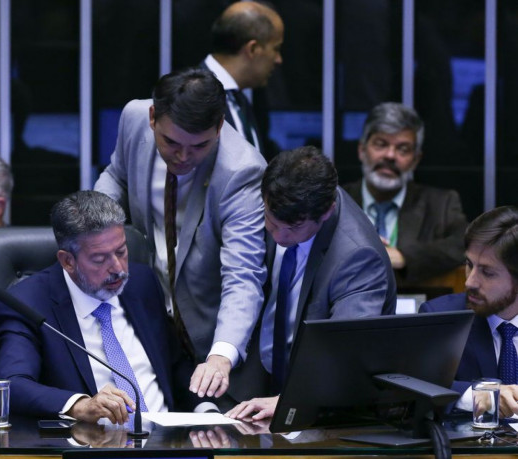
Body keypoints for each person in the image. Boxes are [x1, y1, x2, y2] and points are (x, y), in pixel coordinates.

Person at [94, 67, 267, 407]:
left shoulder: (242, 170)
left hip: (211, 337)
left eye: (199, 146)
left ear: (219, 127)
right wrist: (92, 227)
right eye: (171, 142)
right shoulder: (132, 119)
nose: (183, 157)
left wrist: (222, 355)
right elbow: (117, 176)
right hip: (152, 322)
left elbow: (243, 276)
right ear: (152, 117)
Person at [0, 190, 205, 422]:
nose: (117, 268)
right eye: (100, 259)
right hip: (95, 447)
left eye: (121, 251)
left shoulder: (141, 282)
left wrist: (208, 412)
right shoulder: (27, 303)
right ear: (67, 261)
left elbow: (174, 366)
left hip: (168, 442)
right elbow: (13, 385)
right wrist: (80, 405)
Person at [226, 146, 396, 421]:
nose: (279, 236)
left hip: (324, 410)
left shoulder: (358, 257)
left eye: (293, 228)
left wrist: (286, 401)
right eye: (271, 220)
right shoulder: (276, 197)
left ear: (327, 211)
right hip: (256, 380)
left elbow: (345, 359)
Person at [344, 102, 467, 286]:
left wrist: (404, 256)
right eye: (381, 144)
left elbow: (464, 245)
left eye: (403, 149)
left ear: (416, 160)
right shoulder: (337, 201)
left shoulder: (441, 204)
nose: (390, 155)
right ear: (362, 150)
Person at [420, 206, 518, 416]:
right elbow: (416, 385)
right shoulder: (441, 317)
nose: (469, 281)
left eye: (487, 273)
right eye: (469, 264)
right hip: (472, 447)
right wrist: (475, 395)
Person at [201, 1, 283, 158]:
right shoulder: (191, 95)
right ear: (252, 49)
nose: (279, 60)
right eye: (276, 49)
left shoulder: (243, 101)